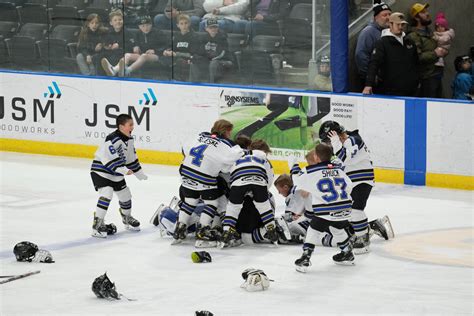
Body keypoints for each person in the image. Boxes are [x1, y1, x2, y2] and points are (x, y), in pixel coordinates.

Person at [174, 119, 244, 247]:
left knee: (190, 201)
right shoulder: (227, 144)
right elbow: (233, 158)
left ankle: (180, 228)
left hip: (186, 172)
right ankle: (203, 231)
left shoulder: (201, 135)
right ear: (226, 131)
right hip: (205, 177)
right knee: (212, 203)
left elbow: (184, 148)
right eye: (230, 132)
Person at [293, 143, 356, 272]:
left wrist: (294, 166)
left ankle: (305, 257)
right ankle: (347, 253)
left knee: (313, 230)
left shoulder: (311, 170)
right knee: (337, 228)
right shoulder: (338, 169)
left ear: (316, 157)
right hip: (345, 209)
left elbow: (296, 180)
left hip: (326, 211)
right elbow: (349, 186)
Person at [319, 121, 376, 254]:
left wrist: (335, 142)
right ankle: (370, 227)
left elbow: (344, 157)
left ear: (333, 135)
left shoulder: (353, 139)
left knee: (356, 210)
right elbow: (341, 162)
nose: (328, 144)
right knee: (349, 212)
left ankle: (363, 239)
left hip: (362, 180)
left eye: (328, 140)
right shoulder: (345, 143)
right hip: (354, 182)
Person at [90, 114, 148, 238]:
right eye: (130, 125)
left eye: (133, 124)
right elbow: (109, 158)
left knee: (125, 195)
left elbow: (131, 158)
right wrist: (123, 170)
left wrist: (139, 172)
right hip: (101, 171)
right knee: (107, 193)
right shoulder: (112, 139)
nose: (133, 127)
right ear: (121, 126)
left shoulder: (129, 139)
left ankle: (126, 218)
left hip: (116, 173)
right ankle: (97, 224)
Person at [220, 139, 278, 248]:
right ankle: (271, 228)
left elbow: (225, 171)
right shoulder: (263, 158)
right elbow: (268, 183)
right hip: (258, 182)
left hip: (238, 183)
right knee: (264, 205)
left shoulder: (235, 155)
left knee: (233, 208)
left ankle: (227, 231)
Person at [362, 12, 419, 97]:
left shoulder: (409, 41)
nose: (400, 27)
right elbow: (374, 63)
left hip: (411, 90)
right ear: (390, 24)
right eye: (398, 24)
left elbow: (416, 62)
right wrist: (368, 84)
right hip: (391, 91)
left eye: (402, 25)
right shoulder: (382, 43)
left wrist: (417, 81)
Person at [406, 2, 447, 98]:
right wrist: (435, 53)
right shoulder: (413, 36)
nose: (427, 13)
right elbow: (416, 57)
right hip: (425, 79)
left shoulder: (430, 32)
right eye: (423, 12)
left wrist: (443, 51)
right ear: (416, 18)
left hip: (437, 75)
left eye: (426, 11)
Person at [354, 2, 392, 90]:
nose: (388, 17)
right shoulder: (368, 32)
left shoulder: (389, 32)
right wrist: (371, 77)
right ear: (376, 18)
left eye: (390, 14)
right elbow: (360, 55)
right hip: (373, 82)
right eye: (384, 15)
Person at [190, 18, 233, 83]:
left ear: (218, 28)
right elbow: (199, 52)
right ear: (206, 29)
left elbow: (221, 54)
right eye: (210, 27)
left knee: (213, 63)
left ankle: (211, 84)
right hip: (209, 60)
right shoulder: (203, 38)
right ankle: (193, 84)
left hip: (224, 60)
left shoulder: (222, 37)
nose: (213, 29)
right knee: (194, 62)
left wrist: (208, 59)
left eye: (215, 27)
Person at [161, 14, 200, 81]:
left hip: (187, 58)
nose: (184, 26)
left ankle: (179, 81)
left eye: (186, 23)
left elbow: (192, 53)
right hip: (176, 56)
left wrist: (177, 54)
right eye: (181, 24)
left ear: (189, 24)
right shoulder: (176, 36)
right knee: (163, 59)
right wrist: (166, 51)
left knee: (179, 61)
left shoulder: (194, 36)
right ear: (178, 25)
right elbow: (170, 47)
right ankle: (167, 81)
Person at [101, 10, 133, 76]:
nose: (118, 22)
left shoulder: (127, 32)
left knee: (117, 56)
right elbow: (106, 43)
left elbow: (130, 45)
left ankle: (118, 71)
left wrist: (119, 45)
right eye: (115, 20)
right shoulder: (109, 33)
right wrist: (108, 46)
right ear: (111, 23)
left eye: (120, 19)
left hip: (123, 53)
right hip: (112, 53)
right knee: (102, 56)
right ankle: (109, 71)